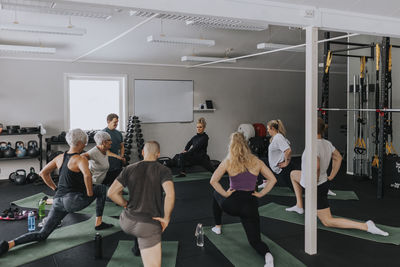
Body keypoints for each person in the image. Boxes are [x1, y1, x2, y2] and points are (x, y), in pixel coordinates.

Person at [0, 129, 113, 257]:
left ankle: (9, 244)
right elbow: (87, 176)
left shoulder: (59, 157)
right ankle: (98, 222)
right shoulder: (80, 159)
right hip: (73, 201)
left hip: (58, 201)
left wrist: (55, 189)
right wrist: (90, 193)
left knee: (42, 234)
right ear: (81, 142)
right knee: (102, 189)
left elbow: (43, 173)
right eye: (85, 142)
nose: (86, 144)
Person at [286, 118, 388, 236]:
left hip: (316, 187)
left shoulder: (313, 146)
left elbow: (317, 166)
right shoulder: (326, 143)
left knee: (327, 221)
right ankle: (299, 206)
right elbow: (338, 157)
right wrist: (332, 175)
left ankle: (366, 226)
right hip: (320, 181)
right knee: (293, 174)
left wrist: (313, 184)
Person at [210, 132, 277, 267]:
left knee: (216, 194)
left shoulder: (228, 161)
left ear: (231, 145)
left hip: (232, 204)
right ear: (246, 144)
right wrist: (261, 194)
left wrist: (225, 193)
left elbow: (213, 181)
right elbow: (273, 179)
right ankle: (268, 257)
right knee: (255, 241)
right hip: (250, 205)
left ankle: (217, 226)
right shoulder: (256, 161)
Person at [108, 141, 175, 267]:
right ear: (158, 154)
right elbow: (170, 195)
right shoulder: (164, 170)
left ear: (143, 152)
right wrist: (166, 218)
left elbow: (111, 193)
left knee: (139, 228)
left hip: (126, 221)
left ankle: (137, 246)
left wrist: (125, 204)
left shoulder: (129, 168)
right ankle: (141, 242)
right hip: (147, 226)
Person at [259, 119, 293, 190]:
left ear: (273, 129)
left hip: (282, 168)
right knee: (260, 162)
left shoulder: (278, 137)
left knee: (295, 188)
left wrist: (286, 163)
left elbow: (288, 150)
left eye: (268, 129)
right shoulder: (277, 137)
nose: (267, 131)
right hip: (276, 165)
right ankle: (266, 181)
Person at [103, 113, 125, 186]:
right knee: (108, 183)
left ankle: (119, 190)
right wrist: (118, 157)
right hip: (107, 162)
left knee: (117, 179)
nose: (116, 124)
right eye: (115, 122)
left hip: (117, 162)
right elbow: (106, 151)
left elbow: (122, 146)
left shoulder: (118, 133)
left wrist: (121, 156)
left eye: (117, 122)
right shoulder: (103, 133)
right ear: (108, 121)